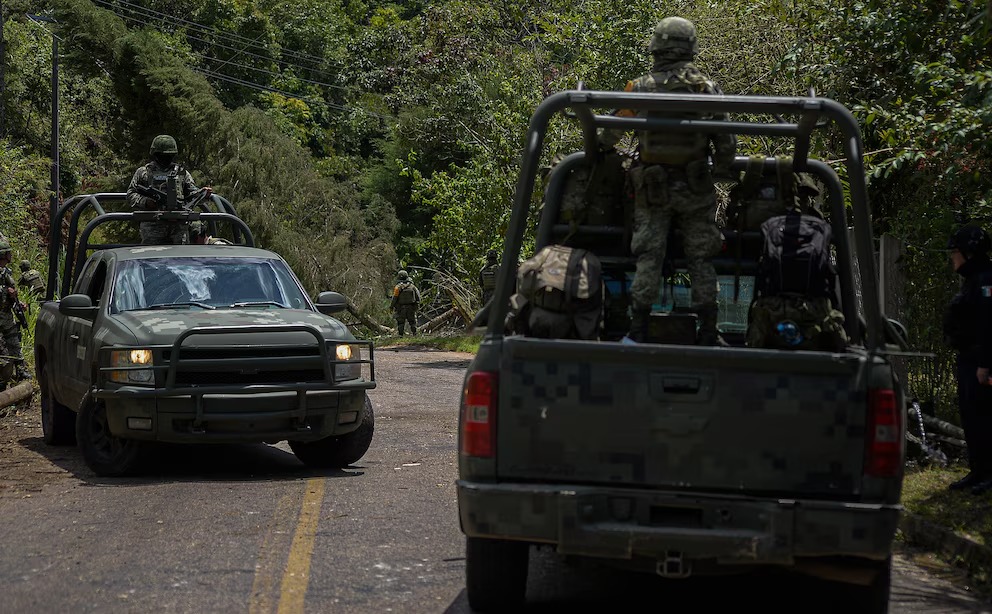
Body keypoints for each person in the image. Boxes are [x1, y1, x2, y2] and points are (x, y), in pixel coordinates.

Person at [599, 16, 736, 345]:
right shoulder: (708, 89)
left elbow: (609, 135)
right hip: (696, 188)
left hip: (653, 189)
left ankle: (637, 330)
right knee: (701, 258)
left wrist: (600, 148)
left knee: (649, 255)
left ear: (656, 47)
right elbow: (727, 143)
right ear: (691, 47)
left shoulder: (640, 88)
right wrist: (721, 170)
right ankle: (709, 332)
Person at [942, 224, 992, 495]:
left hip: (981, 362)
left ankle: (988, 474)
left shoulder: (986, 280)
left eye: (956, 252)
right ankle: (977, 471)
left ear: (969, 253)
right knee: (971, 417)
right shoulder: (973, 280)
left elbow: (989, 324)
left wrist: (985, 364)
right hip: (969, 359)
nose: (953, 257)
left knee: (984, 418)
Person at [127, 134, 211, 245]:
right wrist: (146, 202)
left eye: (169, 155)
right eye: (162, 155)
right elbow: (131, 194)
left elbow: (192, 194)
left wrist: (203, 194)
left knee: (181, 255)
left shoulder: (181, 173)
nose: (166, 158)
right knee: (151, 255)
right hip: (153, 225)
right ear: (156, 155)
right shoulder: (144, 172)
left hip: (179, 226)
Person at [0, 242, 31, 381]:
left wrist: (19, 303)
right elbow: (6, 290)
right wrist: (5, 290)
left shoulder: (7, 272)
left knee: (14, 342)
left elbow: (11, 294)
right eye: (8, 253)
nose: (11, 255)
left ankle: (21, 370)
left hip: (6, 315)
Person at [391, 270, 421, 336]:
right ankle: (415, 334)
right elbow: (418, 297)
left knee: (401, 323)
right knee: (412, 322)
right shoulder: (413, 287)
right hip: (411, 308)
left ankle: (400, 336)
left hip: (401, 308)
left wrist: (391, 306)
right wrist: (416, 306)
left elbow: (394, 298)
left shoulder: (397, 287)